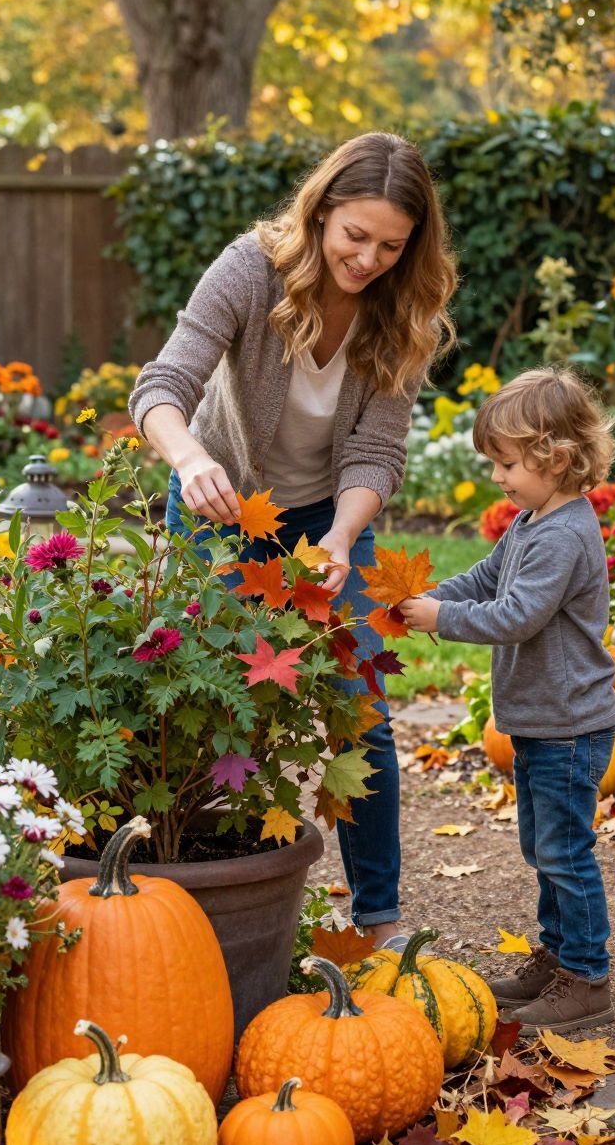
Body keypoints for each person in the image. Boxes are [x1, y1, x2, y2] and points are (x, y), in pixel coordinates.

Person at [130, 132, 458, 950]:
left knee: (362, 711)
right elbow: (164, 385)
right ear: (320, 214)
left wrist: (345, 536)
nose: (368, 258)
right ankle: (194, 899)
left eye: (391, 245)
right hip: (219, 502)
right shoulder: (250, 270)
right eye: (355, 236)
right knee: (212, 701)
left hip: (326, 518)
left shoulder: (402, 308)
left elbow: (377, 451)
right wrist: (192, 458)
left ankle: (377, 919)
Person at [397, 368, 615, 1032]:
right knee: (541, 846)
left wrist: (443, 619)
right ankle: (557, 958)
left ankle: (587, 976)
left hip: (570, 725)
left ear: (556, 457)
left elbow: (516, 614)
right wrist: (433, 595)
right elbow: (487, 577)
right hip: (539, 721)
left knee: (564, 851)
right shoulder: (531, 521)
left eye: (507, 463)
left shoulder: (564, 535)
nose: (497, 476)